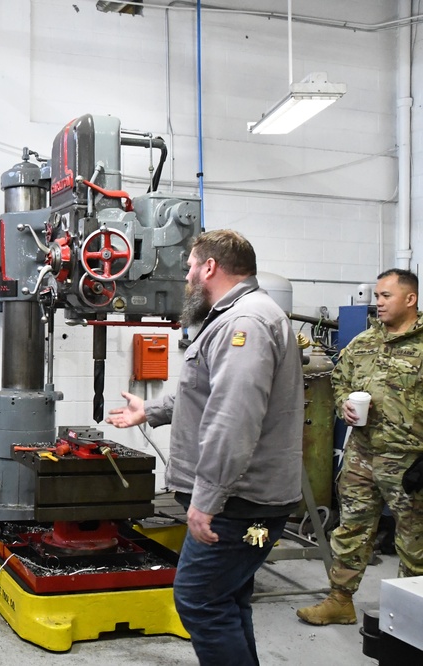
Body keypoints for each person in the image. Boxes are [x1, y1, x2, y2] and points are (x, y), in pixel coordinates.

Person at [107, 229, 303, 666]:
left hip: (238, 504)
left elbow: (233, 419)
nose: (187, 277)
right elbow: (209, 394)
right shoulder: (236, 316)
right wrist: (151, 412)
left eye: (190, 267)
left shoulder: (244, 323)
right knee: (228, 599)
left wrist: (206, 499)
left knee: (199, 601)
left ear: (210, 267)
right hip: (242, 501)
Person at [296, 269, 423, 625]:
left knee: (414, 542)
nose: (378, 303)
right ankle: (340, 600)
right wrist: (343, 406)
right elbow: (339, 380)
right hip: (363, 457)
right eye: (377, 296)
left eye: (386, 296)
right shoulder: (364, 342)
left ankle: (411, 616)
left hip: (410, 462)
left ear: (410, 299)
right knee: (351, 528)